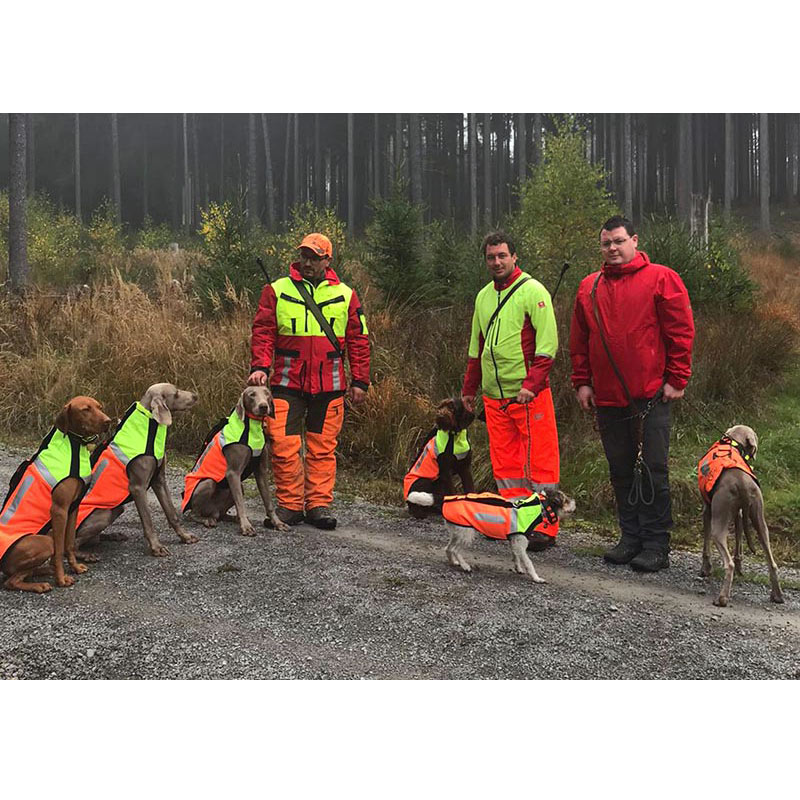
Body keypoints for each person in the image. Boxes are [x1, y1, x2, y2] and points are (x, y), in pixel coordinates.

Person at [569, 215, 695, 572]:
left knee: (653, 470)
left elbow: (681, 332)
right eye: (606, 243)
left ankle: (656, 543)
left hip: (651, 396)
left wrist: (678, 379)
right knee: (621, 470)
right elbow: (580, 341)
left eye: (619, 241)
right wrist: (583, 382)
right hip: (607, 399)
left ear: (634, 240)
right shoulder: (588, 287)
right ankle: (630, 537)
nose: (612, 248)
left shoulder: (662, 278)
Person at [249, 233, 370, 530]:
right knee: (283, 444)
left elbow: (358, 340)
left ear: (328, 260)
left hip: (330, 384)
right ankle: (290, 505)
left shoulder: (346, 294)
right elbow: (263, 332)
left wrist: (361, 381)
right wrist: (260, 367)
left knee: (322, 447)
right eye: (304, 256)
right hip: (285, 383)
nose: (307, 262)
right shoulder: (276, 290)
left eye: (315, 257)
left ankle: (318, 504)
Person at [461, 231, 561, 551]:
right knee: (506, 466)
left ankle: (545, 526)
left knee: (540, 466)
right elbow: (476, 348)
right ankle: (516, 522)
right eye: (491, 257)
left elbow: (548, 347)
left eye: (502, 255)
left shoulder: (533, 291)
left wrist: (531, 386)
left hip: (527, 395)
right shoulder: (483, 297)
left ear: (515, 257)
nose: (497, 262)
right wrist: (469, 390)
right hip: (493, 397)